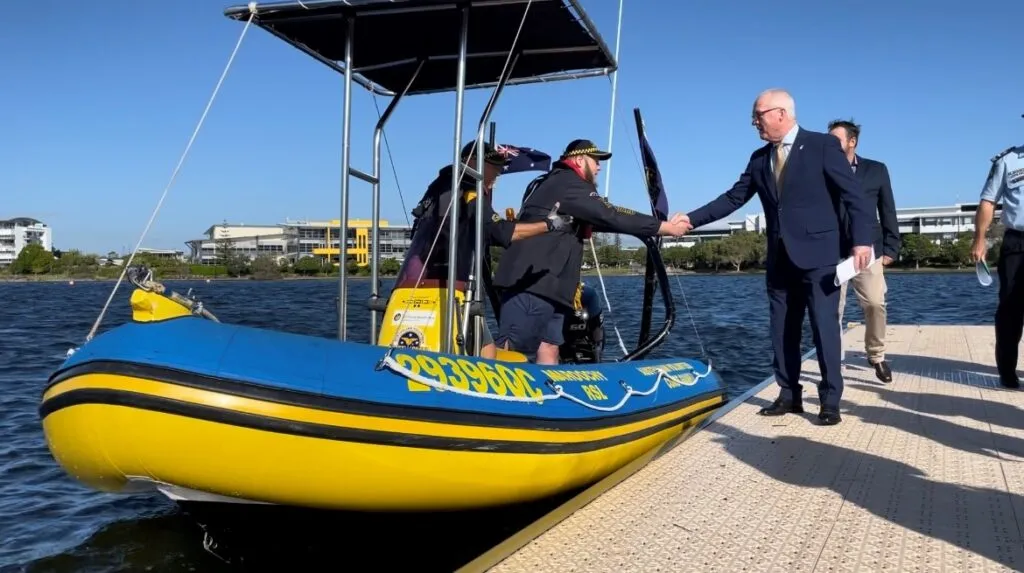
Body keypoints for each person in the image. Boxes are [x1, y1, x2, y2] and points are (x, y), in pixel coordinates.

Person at [684, 89, 875, 426]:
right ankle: (789, 394)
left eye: (759, 114)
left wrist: (862, 241)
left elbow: (854, 196)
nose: (754, 121)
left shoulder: (822, 146)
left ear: (782, 114)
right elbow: (733, 198)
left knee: (824, 329)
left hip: (819, 257)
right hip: (779, 259)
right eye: (754, 116)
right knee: (782, 330)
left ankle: (830, 400)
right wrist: (689, 220)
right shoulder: (759, 158)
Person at [492, 139, 692, 365]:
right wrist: (664, 227)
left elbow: (603, 218)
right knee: (513, 348)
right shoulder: (569, 183)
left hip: (554, 285)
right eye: (596, 160)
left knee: (549, 348)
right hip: (532, 283)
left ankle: (553, 395)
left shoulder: (559, 184)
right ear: (579, 160)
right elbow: (610, 214)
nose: (599, 167)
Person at [396, 140, 569, 358]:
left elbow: (475, 229)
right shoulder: (469, 189)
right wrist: (549, 225)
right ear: (474, 162)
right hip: (447, 284)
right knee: (486, 350)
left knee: (485, 346)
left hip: (415, 280)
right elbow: (498, 232)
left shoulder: (440, 185)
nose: (498, 171)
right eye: (493, 164)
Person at [828, 119, 900, 383]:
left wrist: (892, 246)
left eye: (836, 140)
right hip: (831, 250)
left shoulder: (876, 170)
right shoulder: (822, 170)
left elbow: (888, 209)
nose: (830, 145)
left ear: (852, 141)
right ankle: (836, 362)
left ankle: (877, 355)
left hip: (869, 249)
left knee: (875, 303)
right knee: (832, 310)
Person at [972, 123, 1024, 388]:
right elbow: (988, 201)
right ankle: (1007, 370)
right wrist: (980, 240)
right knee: (1010, 307)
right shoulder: (1008, 161)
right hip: (1017, 242)